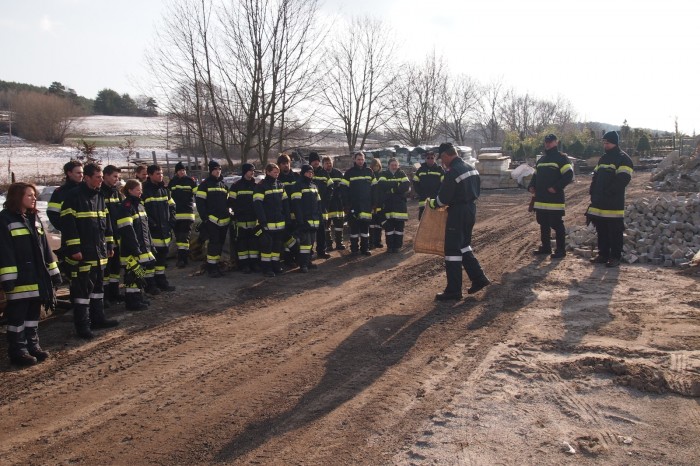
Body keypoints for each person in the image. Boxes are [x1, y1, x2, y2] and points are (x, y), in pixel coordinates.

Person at [1, 183, 62, 366]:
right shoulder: (4, 220)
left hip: (37, 277)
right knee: (17, 317)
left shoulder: (34, 218)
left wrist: (54, 272)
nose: (34, 198)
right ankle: (17, 350)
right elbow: (5, 252)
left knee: (33, 316)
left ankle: (32, 346)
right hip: (19, 279)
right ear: (17, 197)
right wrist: (8, 279)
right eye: (29, 195)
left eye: (34, 195)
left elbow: (45, 249)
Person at [60, 162, 119, 338]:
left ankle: (98, 318)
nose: (101, 180)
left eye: (102, 177)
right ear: (86, 178)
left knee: (98, 289)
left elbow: (106, 225)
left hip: (99, 253)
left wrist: (109, 244)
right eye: (97, 177)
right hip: (83, 254)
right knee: (82, 292)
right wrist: (74, 248)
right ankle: (83, 326)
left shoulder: (99, 197)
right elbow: (69, 226)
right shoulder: (73, 197)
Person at [427, 143, 490, 300]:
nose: (442, 162)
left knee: (452, 251)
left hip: (457, 212)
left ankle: (453, 290)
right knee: (463, 246)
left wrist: (432, 204)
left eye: (442, 158)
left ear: (446, 155)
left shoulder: (453, 171)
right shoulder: (471, 168)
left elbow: (443, 199)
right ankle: (479, 278)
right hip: (470, 210)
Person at [587, 130, 634, 268]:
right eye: (604, 142)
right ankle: (603, 254)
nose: (605, 145)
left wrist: (608, 192)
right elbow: (595, 176)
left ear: (614, 142)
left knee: (615, 231)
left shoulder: (623, 159)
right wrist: (593, 191)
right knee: (601, 229)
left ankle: (615, 257)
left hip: (613, 202)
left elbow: (623, 180)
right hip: (599, 202)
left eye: (607, 143)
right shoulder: (603, 158)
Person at [528, 134, 574, 259]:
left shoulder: (561, 158)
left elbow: (569, 175)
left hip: (554, 200)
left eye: (550, 141)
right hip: (541, 199)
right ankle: (546, 247)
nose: (547, 144)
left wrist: (556, 187)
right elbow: (535, 176)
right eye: (546, 142)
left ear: (556, 142)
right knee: (543, 223)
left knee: (557, 224)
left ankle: (560, 250)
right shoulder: (541, 160)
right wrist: (531, 186)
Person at [115, 179, 155, 311]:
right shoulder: (126, 207)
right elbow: (127, 231)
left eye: (141, 189)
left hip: (142, 247)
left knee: (139, 274)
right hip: (132, 249)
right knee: (132, 276)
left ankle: (138, 298)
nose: (140, 192)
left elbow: (145, 229)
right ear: (130, 190)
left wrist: (150, 245)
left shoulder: (140, 205)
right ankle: (132, 302)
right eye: (138, 190)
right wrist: (135, 248)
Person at [142, 164, 176, 291]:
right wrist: (152, 224)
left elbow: (172, 206)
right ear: (150, 175)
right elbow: (141, 211)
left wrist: (172, 221)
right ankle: (150, 285)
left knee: (162, 260)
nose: (161, 176)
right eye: (157, 174)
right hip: (153, 232)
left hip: (165, 231)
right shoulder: (144, 190)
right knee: (151, 260)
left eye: (161, 173)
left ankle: (161, 282)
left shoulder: (164, 190)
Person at [196, 160, 230, 278]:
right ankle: (211, 267)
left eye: (219, 169)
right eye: (215, 169)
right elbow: (200, 204)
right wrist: (206, 219)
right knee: (213, 244)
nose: (218, 171)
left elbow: (227, 202)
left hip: (224, 221)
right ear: (211, 170)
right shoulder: (204, 185)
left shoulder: (223, 185)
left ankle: (216, 265)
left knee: (219, 244)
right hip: (211, 221)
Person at [254, 163, 289, 277]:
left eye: (278, 172)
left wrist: (286, 217)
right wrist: (262, 221)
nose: (277, 174)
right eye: (275, 172)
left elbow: (285, 203)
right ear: (267, 172)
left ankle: (276, 265)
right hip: (267, 222)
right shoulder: (261, 186)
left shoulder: (280, 185)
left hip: (279, 222)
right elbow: (258, 205)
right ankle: (267, 268)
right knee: (267, 247)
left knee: (277, 246)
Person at [340, 151, 375, 256]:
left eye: (362, 159)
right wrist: (346, 204)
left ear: (364, 160)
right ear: (354, 160)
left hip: (366, 205)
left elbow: (375, 188)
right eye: (358, 159)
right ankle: (354, 249)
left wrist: (374, 202)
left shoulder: (369, 172)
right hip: (353, 205)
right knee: (354, 229)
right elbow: (343, 189)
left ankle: (365, 249)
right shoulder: (349, 173)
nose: (360, 161)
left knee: (365, 229)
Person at [229, 163, 260, 274]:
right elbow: (231, 202)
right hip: (241, 220)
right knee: (242, 244)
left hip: (253, 220)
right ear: (245, 171)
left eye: (253, 171)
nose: (253, 172)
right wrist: (237, 212)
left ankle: (254, 263)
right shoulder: (236, 185)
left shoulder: (256, 185)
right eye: (250, 170)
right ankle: (244, 265)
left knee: (253, 243)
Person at [290, 164, 322, 272]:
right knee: (305, 244)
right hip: (304, 220)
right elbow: (296, 205)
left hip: (314, 220)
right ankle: (303, 264)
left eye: (312, 172)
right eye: (308, 172)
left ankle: (308, 262)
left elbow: (318, 203)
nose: (310, 174)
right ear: (303, 173)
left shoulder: (314, 185)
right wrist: (300, 220)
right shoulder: (298, 185)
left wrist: (319, 216)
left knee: (311, 243)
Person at [100, 165, 124, 305]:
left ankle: (115, 294)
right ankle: (105, 297)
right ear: (106, 175)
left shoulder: (116, 193)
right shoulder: (100, 193)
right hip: (106, 236)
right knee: (106, 270)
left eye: (118, 177)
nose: (117, 179)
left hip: (117, 235)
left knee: (115, 268)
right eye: (114, 176)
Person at [168, 161, 197, 268]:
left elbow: (197, 195)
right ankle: (184, 257)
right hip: (175, 215)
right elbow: (168, 197)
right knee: (179, 238)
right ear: (176, 172)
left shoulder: (190, 181)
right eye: (180, 170)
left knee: (184, 237)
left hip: (187, 214)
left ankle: (182, 259)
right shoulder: (172, 182)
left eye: (184, 170)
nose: (182, 172)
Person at [378, 157, 410, 253]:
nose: (394, 167)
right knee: (389, 228)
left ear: (398, 165)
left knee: (399, 229)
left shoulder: (402, 173)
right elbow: (382, 184)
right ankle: (390, 246)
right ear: (388, 166)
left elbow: (406, 185)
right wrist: (397, 183)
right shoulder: (384, 174)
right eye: (392, 165)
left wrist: (392, 190)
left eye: (396, 165)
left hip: (400, 206)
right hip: (389, 205)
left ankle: (397, 247)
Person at [277, 153, 301, 266]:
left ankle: (297, 257)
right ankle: (288, 259)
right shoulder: (277, 179)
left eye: (287, 163)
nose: (286, 165)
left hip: (297, 212)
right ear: (279, 165)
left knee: (297, 237)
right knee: (287, 238)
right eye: (283, 164)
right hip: (284, 213)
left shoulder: (297, 177)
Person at [47, 159, 83, 231]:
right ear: (69, 173)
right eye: (78, 173)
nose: (81, 175)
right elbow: (52, 213)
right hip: (70, 236)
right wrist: (66, 228)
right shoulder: (59, 192)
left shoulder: (87, 190)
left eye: (82, 172)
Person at [309, 152, 333, 259]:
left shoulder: (324, 173)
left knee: (321, 230)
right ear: (310, 162)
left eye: (317, 160)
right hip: (310, 207)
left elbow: (330, 187)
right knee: (309, 232)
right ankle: (309, 252)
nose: (316, 162)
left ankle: (321, 251)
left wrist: (326, 202)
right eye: (314, 160)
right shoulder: (307, 172)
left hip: (322, 206)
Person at [413, 150, 444, 220]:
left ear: (434, 158)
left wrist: (439, 193)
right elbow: (415, 182)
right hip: (423, 199)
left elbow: (444, 183)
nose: (430, 159)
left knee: (436, 219)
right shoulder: (420, 170)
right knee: (422, 219)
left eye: (432, 158)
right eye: (428, 158)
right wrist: (420, 193)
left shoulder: (439, 169)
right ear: (425, 159)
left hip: (436, 199)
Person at [324, 156, 346, 251]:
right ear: (323, 164)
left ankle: (339, 243)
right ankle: (328, 244)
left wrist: (342, 198)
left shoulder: (338, 173)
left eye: (330, 163)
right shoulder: (321, 174)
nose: (329, 164)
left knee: (339, 225)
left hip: (338, 204)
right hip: (326, 204)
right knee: (326, 226)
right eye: (326, 163)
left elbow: (344, 187)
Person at [369, 158, 384, 250]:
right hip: (371, 203)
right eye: (374, 166)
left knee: (379, 224)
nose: (376, 167)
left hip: (380, 203)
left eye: (377, 166)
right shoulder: (369, 175)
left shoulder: (382, 176)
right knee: (371, 224)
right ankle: (370, 242)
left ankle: (378, 242)